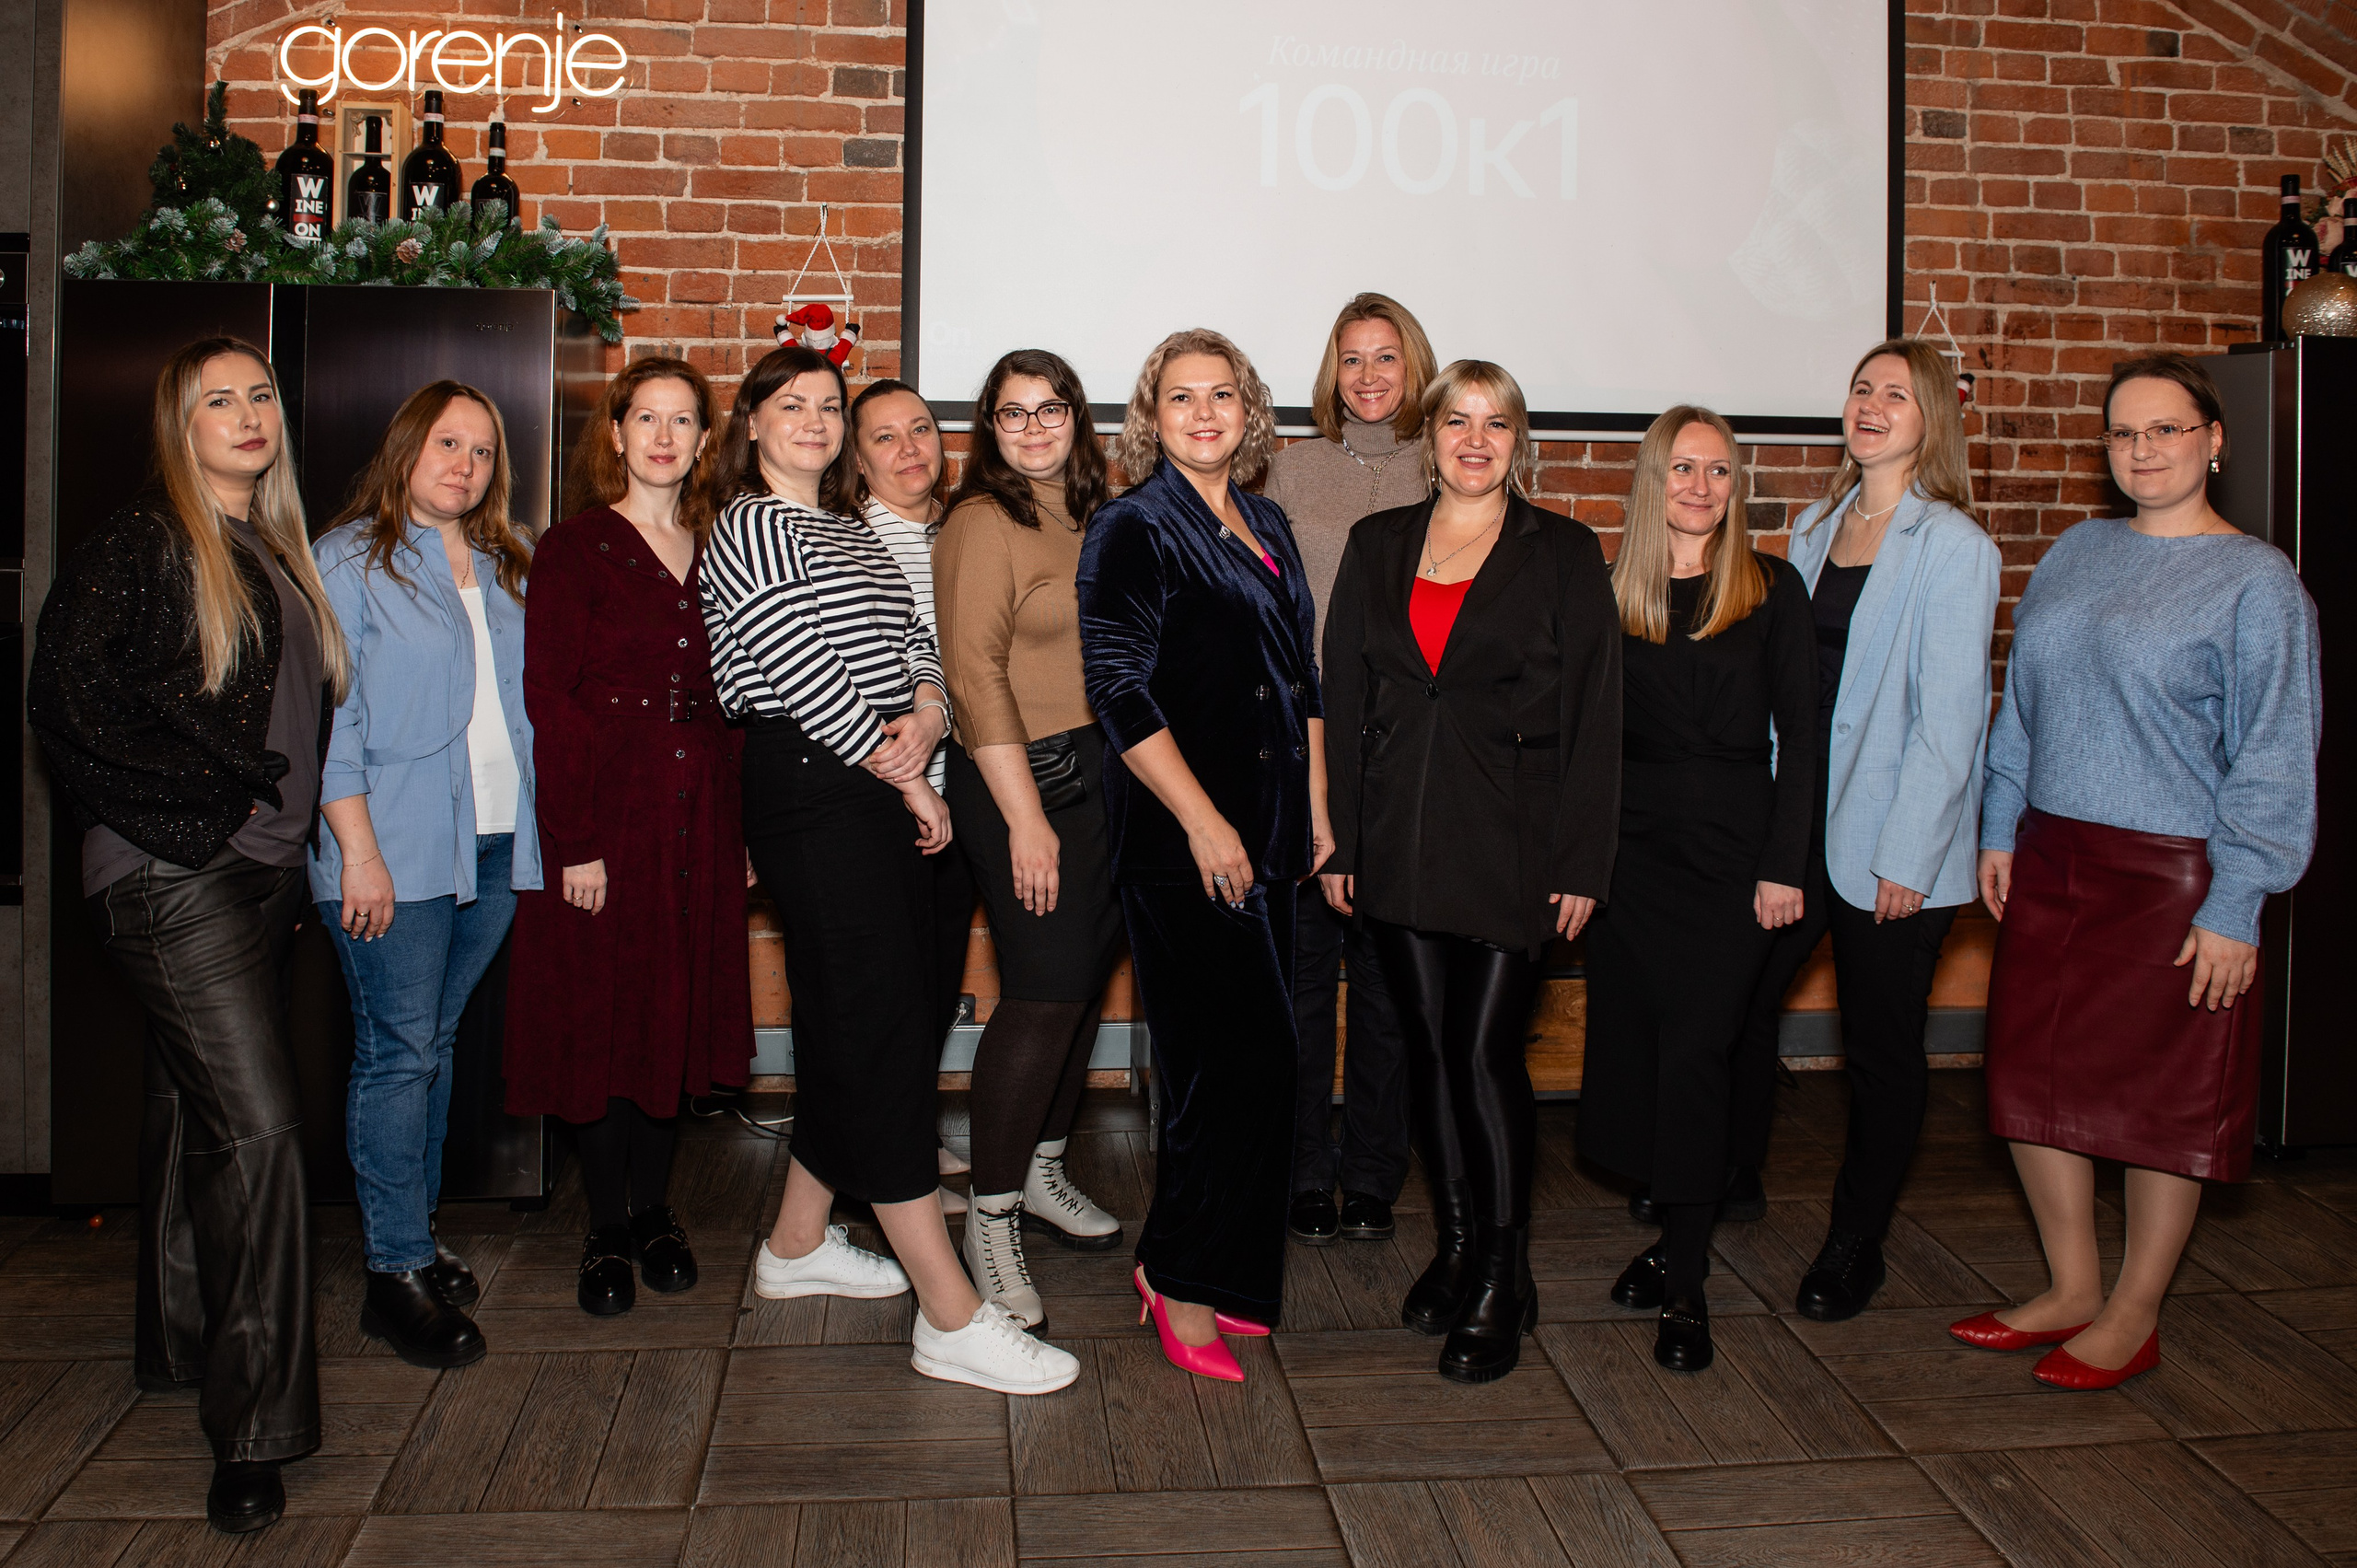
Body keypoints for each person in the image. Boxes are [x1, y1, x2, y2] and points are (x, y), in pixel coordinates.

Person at [704, 343, 1077, 1396]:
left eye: (829, 404)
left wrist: (920, 711)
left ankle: (796, 1242)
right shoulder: (751, 523)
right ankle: (948, 1309)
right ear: (754, 424)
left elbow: (917, 637)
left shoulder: (845, 529)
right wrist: (905, 772)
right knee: (872, 1031)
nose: (816, 420)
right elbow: (793, 661)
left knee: (868, 1022)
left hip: (875, 773)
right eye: (795, 405)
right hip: (817, 782)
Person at [29, 336, 347, 1535]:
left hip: (260, 882)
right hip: (175, 878)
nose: (248, 412)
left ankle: (174, 1339)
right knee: (260, 1127)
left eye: (260, 393)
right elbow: (66, 694)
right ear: (180, 423)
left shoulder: (268, 546)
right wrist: (210, 798)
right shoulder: (148, 541)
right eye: (219, 399)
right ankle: (256, 1426)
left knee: (189, 1111)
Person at [1956, 352, 2318, 1389]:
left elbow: (2274, 756)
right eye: (2123, 432)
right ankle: (2070, 1284)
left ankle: (2132, 1308)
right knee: (2032, 1081)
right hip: (2054, 857)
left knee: (2163, 1104)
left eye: (2165, 428)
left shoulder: (2256, 579)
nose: (2142, 449)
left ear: (2215, 440)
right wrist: (1997, 826)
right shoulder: (2077, 549)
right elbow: (2021, 704)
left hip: (2175, 880)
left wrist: (2236, 902)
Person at [1319, 360, 1621, 1383]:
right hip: (1397, 845)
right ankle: (1453, 1245)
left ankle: (1504, 1270)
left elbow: (1597, 718)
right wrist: (1342, 842)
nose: (1476, 439)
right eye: (1458, 420)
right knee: (1427, 1056)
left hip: (1513, 849)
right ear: (1430, 434)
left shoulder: (1565, 551)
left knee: (1484, 1054)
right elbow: (1344, 695)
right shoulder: (1377, 544)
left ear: (1517, 440)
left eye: (1496, 423)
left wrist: (1582, 857)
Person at [1731, 340, 2002, 1321]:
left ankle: (1856, 1244)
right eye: (1860, 389)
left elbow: (1951, 717)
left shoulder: (1955, 546)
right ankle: (1732, 1173)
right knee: (1745, 1001)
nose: (1871, 405)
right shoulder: (1811, 528)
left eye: (1896, 393)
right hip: (1797, 822)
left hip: (1890, 844)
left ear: (1931, 416)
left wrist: (1909, 856)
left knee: (1879, 1052)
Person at [1078, 327, 1329, 1382]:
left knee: (1266, 1066)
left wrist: (1314, 811)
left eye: (1220, 395)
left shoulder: (1265, 519)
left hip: (1272, 832)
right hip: (1187, 845)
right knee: (1212, 1068)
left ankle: (1226, 1275)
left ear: (1249, 408)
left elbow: (1301, 678)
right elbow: (1119, 689)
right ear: (1151, 416)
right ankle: (1177, 1277)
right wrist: (1202, 818)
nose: (1203, 414)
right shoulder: (1130, 525)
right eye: (1179, 399)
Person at [503, 357, 752, 1318]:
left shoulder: (719, 544)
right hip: (608, 809)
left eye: (681, 420)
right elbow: (549, 701)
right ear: (615, 432)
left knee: (671, 1013)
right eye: (644, 417)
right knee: (599, 1019)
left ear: (701, 440)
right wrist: (574, 839)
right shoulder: (574, 548)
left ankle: (656, 1211)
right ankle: (605, 1222)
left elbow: (736, 700)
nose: (661, 435)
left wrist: (739, 830)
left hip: (699, 810)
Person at [1579, 405, 1816, 1375]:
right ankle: (1671, 1232)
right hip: (1629, 862)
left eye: (1719, 472)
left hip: (1732, 861)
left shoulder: (1772, 588)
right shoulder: (1608, 592)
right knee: (1637, 1060)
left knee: (1698, 1058)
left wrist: (1783, 865)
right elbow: (1584, 744)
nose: (1700, 487)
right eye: (1682, 468)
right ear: (1651, 479)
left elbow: (1802, 739)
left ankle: (1685, 1281)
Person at [310, 380, 540, 1372]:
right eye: (448, 443)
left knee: (434, 1042)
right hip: (393, 850)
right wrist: (358, 851)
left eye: (483, 451)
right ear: (406, 446)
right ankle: (392, 1271)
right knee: (398, 1050)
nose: (465, 464)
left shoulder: (502, 563)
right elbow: (333, 720)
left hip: (490, 843)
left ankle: (417, 1235)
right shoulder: (348, 558)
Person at [933, 350, 1127, 1330]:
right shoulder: (980, 522)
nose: (1035, 428)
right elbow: (974, 676)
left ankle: (1044, 1171)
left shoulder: (1098, 511)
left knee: (1084, 982)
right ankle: (991, 1211)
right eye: (1013, 415)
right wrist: (1025, 821)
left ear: (1076, 420)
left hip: (1104, 773)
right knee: (1043, 992)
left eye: (1051, 409)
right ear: (990, 429)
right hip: (1021, 777)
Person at [1263, 293, 1435, 1247]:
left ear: (1415, 366)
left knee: (1385, 981)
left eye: (1386, 358)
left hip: (1407, 753)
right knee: (1300, 975)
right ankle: (1300, 1168)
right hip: (1307, 744)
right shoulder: (1293, 472)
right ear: (1332, 373)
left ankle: (1372, 1172)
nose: (1369, 376)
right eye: (1352, 359)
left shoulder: (1444, 464)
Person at [848, 377, 983, 1214]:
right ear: (858, 461)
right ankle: (880, 1167)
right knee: (885, 996)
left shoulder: (964, 532)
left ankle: (912, 1137)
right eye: (887, 438)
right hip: (882, 801)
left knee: (934, 982)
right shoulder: (853, 542)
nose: (911, 450)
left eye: (923, 431)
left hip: (961, 796)